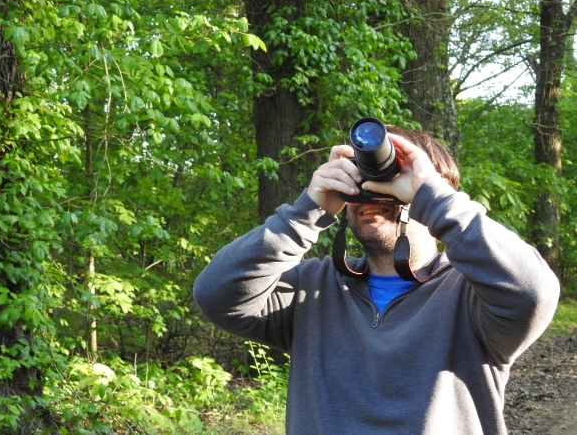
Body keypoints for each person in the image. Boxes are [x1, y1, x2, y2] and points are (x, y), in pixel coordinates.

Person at [193, 125, 559, 435]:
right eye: (362, 178)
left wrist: (433, 199)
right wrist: (306, 211)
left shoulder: (471, 294)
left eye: (393, 179)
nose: (374, 191)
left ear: (431, 191)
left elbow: (533, 293)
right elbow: (215, 295)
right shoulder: (314, 288)